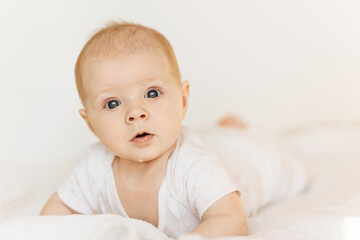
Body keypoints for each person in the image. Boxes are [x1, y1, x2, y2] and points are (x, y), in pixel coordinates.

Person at [40, 21, 306, 239]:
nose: (135, 113)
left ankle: (236, 129)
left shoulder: (194, 164)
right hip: (206, 143)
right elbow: (56, 213)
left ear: (183, 100)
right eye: (112, 103)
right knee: (213, 139)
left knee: (258, 151)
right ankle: (223, 129)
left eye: (152, 93)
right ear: (91, 124)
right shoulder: (93, 166)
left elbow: (232, 221)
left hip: (248, 162)